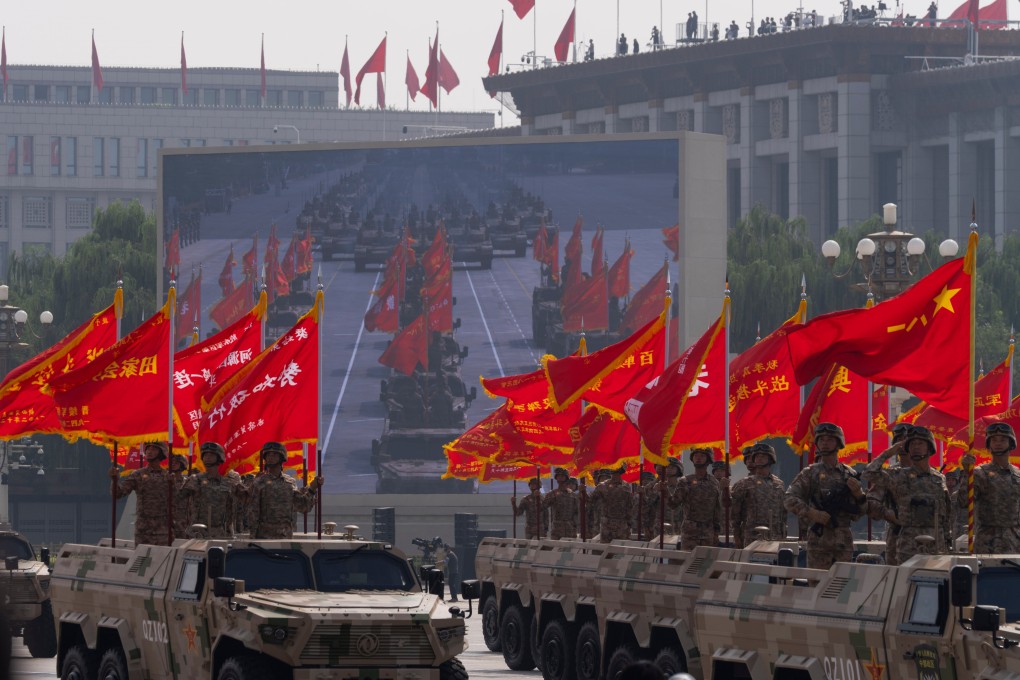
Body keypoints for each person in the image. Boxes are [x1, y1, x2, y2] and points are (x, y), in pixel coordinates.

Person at [784, 423, 866, 569]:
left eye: (829, 440)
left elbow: (859, 514)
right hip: (819, 544)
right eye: (821, 440)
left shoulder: (850, 474)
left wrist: (859, 495)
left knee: (841, 587)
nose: (825, 443)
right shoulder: (810, 473)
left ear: (838, 443)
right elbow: (789, 499)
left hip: (843, 543)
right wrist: (813, 513)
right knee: (817, 585)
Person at [865, 426, 950, 564]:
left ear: (929, 448)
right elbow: (869, 474)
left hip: (935, 542)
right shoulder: (898, 475)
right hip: (908, 543)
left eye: (920, 443)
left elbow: (945, 514)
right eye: (912, 444)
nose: (916, 447)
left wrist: (947, 541)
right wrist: (889, 453)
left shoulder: (939, 478)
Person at [959, 421, 1020, 553]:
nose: (998, 443)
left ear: (1011, 444)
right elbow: (963, 502)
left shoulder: (1018, 475)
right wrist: (967, 474)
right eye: (994, 440)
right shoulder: (979, 473)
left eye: (1003, 440)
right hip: (988, 542)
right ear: (989, 445)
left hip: (1015, 541)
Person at [248, 442, 322, 539]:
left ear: (282, 458)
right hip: (265, 538)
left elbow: (303, 506)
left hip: (285, 537)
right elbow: (253, 513)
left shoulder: (290, 483)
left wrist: (312, 488)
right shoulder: (258, 483)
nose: (270, 457)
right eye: (268, 455)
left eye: (274, 455)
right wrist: (253, 538)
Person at [864, 422, 911, 565]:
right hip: (897, 538)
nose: (902, 444)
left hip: (923, 539)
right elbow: (871, 502)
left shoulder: (930, 475)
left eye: (906, 440)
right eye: (898, 440)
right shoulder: (889, 474)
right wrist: (887, 513)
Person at [109, 442, 173, 546]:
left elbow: (178, 501)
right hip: (144, 531)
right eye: (148, 449)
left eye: (154, 449)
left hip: (163, 530)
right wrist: (114, 480)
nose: (149, 452)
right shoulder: (138, 474)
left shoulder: (168, 477)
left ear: (161, 453)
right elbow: (118, 494)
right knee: (143, 560)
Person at [179, 442, 245, 538]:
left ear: (219, 457)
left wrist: (255, 483)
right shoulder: (196, 479)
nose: (207, 457)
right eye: (205, 455)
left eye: (211, 455)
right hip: (198, 532)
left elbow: (248, 497)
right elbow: (178, 498)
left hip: (221, 532)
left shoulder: (228, 481)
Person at [730, 443, 787, 548]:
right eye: (757, 457)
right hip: (752, 537)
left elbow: (783, 512)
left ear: (770, 459)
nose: (759, 459)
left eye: (763, 457)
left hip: (775, 536)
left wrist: (783, 532)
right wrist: (737, 536)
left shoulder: (779, 484)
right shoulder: (744, 483)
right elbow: (734, 514)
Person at [673, 449, 725, 549]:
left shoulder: (714, 482)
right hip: (690, 533)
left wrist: (716, 532)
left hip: (708, 532)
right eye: (696, 455)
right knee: (688, 561)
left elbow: (717, 510)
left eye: (702, 456)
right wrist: (665, 493)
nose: (698, 458)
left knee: (706, 562)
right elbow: (673, 504)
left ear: (708, 459)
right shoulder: (685, 481)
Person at [590, 465, 632, 542]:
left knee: (619, 552)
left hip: (622, 525)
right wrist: (583, 494)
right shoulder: (602, 486)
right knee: (606, 550)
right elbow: (590, 501)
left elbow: (629, 506)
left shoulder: (626, 486)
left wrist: (629, 524)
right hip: (607, 526)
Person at [546, 468, 579, 540]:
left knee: (570, 550)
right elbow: (542, 507)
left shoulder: (573, 495)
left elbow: (578, 512)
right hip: (557, 529)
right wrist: (538, 498)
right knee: (555, 549)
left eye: (562, 476)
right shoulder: (552, 494)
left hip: (570, 529)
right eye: (558, 476)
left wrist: (575, 525)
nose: (560, 478)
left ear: (566, 478)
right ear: (556, 478)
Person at [654, 458, 684, 535]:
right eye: (667, 467)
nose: (669, 469)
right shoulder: (659, 486)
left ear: (679, 470)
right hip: (660, 524)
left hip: (678, 524)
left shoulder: (682, 487)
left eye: (672, 467)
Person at [631, 471, 659, 540]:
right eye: (643, 479)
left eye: (648, 480)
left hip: (649, 526)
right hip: (636, 525)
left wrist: (643, 495)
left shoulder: (655, 493)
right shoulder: (636, 494)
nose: (645, 481)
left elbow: (650, 506)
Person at [169, 454, 192, 539]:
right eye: (172, 462)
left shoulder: (187, 482)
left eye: (176, 463)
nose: (173, 464)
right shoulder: (165, 481)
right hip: (167, 519)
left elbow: (180, 497)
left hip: (182, 520)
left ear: (182, 465)